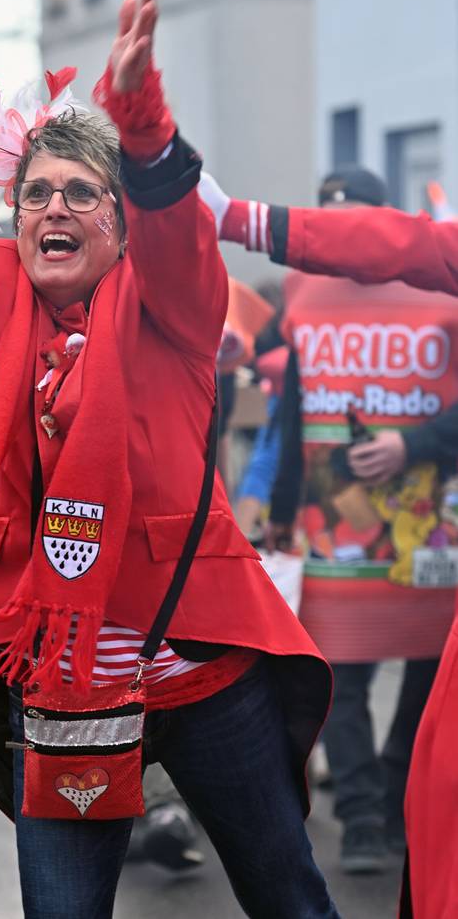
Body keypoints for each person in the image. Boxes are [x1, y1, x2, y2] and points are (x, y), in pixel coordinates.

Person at [0, 0, 337, 916]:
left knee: (291, 899)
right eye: (35, 195)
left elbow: (180, 232)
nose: (54, 211)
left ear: (121, 223)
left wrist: (140, 110)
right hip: (66, 680)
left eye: (82, 193)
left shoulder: (176, 305)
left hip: (199, 662)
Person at [198, 170, 458, 916]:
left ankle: (393, 777)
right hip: (339, 523)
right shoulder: (306, 304)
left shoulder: (436, 285)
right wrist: (277, 507)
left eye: (355, 223)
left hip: (429, 523)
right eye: (329, 220)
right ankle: (369, 817)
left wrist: (413, 448)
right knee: (337, 664)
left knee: (428, 670)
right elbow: (291, 413)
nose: (344, 239)